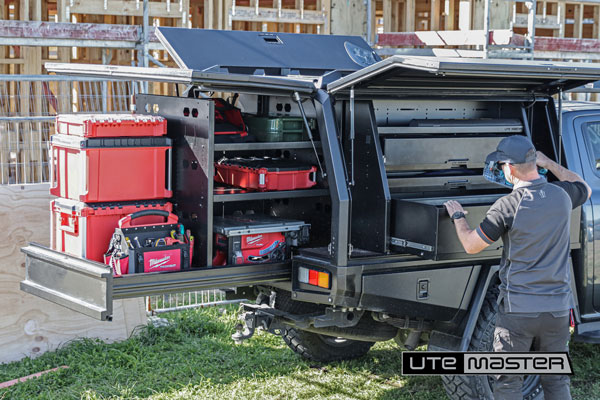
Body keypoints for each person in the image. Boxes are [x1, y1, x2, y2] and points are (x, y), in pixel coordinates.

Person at [443, 135, 591, 400]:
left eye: (501, 167)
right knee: (556, 381)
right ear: (535, 162)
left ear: (509, 168)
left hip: (518, 313)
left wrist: (458, 217)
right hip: (557, 310)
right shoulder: (562, 195)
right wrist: (550, 163)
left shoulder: (507, 206)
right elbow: (583, 186)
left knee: (508, 382)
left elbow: (471, 245)